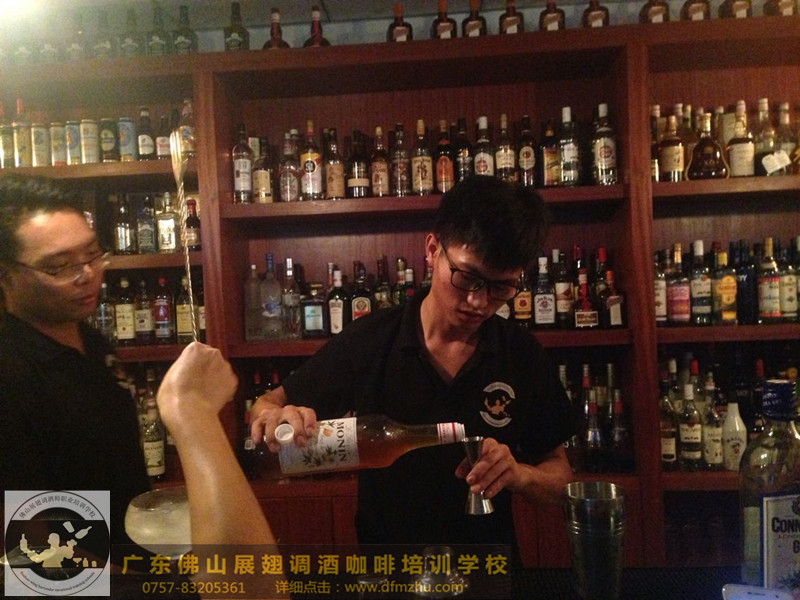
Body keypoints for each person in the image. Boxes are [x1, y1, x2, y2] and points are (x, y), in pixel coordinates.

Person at [251, 176, 576, 553]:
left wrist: (520, 475)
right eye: (467, 277)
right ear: (433, 250)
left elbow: (561, 481)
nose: (478, 301)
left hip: (486, 569)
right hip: (388, 571)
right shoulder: (371, 340)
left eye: (499, 288)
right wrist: (274, 417)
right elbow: (267, 403)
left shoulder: (521, 353)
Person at [0, 174, 149, 546]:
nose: (88, 275)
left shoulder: (92, 342)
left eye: (92, 254)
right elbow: (28, 544)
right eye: (60, 266)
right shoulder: (11, 373)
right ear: (5, 274)